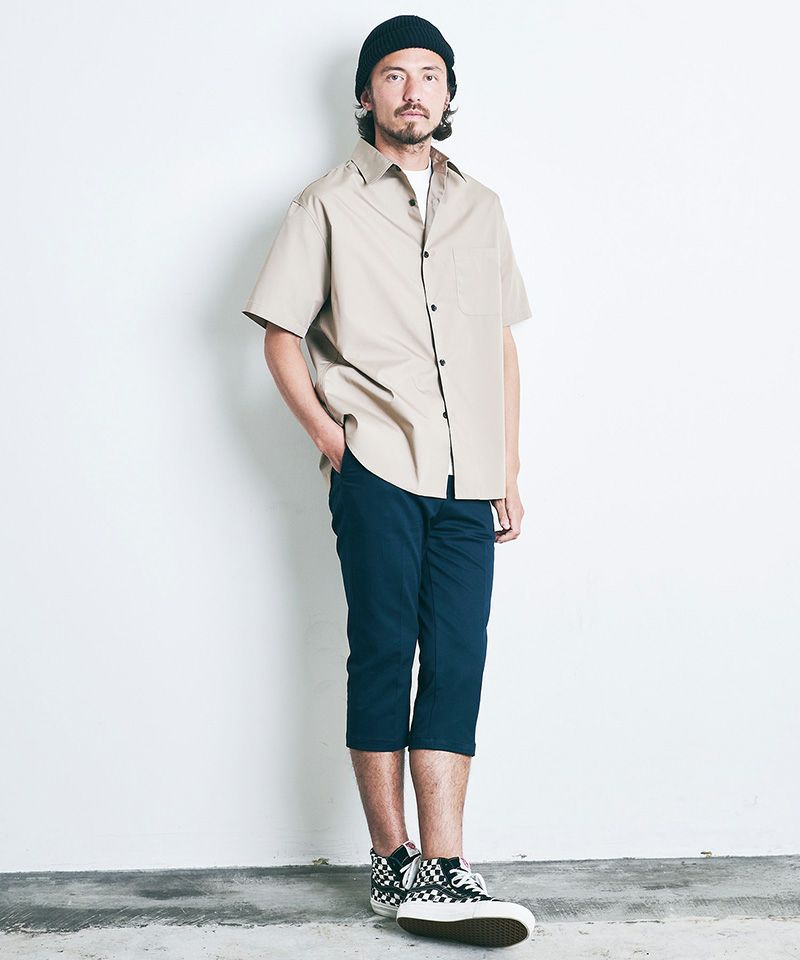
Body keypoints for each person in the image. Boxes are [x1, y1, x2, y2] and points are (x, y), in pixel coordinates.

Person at [241, 14, 536, 949]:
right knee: (382, 652)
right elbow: (280, 334)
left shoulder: (482, 206)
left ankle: (445, 866)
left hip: (468, 474)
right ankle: (391, 859)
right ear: (367, 94)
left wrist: (507, 465)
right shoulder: (325, 203)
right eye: (395, 75)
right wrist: (334, 440)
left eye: (430, 75)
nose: (414, 91)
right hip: (378, 463)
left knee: (457, 658)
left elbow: (499, 343)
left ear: (449, 94)